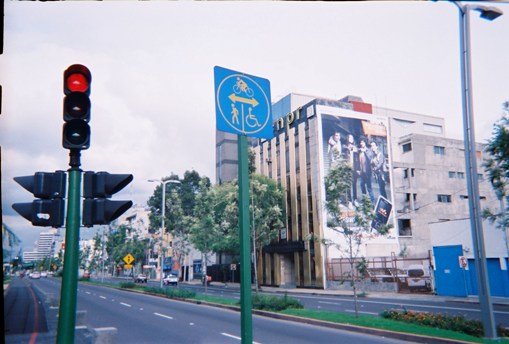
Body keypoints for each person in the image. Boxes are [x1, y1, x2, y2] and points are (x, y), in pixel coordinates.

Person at [343, 134, 359, 207]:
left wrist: (358, 169)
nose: (351, 138)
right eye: (349, 137)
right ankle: (349, 201)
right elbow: (343, 148)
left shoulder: (355, 148)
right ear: (347, 138)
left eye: (352, 137)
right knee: (348, 185)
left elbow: (357, 160)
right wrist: (348, 148)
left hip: (354, 169)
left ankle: (355, 199)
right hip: (348, 169)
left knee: (354, 185)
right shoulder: (345, 147)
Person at [357, 136, 375, 204]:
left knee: (369, 188)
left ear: (365, 142)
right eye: (360, 142)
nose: (361, 143)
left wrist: (365, 152)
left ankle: (372, 202)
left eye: (363, 142)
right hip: (362, 172)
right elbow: (359, 161)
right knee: (362, 186)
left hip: (368, 172)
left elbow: (370, 159)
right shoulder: (360, 151)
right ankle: (365, 200)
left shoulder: (368, 151)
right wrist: (358, 169)